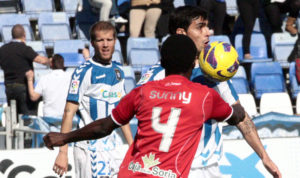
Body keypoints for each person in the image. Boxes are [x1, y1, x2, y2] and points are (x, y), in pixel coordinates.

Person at [44, 34, 245, 177]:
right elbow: (237, 116)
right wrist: (222, 82)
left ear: (163, 63)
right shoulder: (204, 97)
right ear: (194, 64)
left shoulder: (142, 92)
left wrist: (65, 137)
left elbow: (104, 126)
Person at [137, 6, 281, 178]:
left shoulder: (214, 71)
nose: (208, 32)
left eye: (207, 26)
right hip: (171, 168)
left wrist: (264, 157)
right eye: (200, 27)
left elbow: (241, 117)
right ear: (181, 33)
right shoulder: (157, 75)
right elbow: (136, 115)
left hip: (210, 168)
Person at [52, 21, 133, 178]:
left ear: (115, 41)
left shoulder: (118, 71)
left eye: (109, 40)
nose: (105, 45)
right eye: (100, 40)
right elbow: (69, 112)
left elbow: (121, 112)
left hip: (113, 146)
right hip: (89, 148)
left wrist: (132, 146)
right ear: (92, 43)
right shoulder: (84, 72)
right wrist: (63, 152)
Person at [0, 24, 49, 116]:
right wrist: (50, 60)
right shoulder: (24, 49)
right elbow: (41, 60)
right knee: (27, 116)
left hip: (9, 88)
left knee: (13, 117)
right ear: (24, 35)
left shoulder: (2, 49)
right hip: (23, 88)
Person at [25, 54, 71, 119]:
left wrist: (29, 80)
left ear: (51, 64)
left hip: (49, 117)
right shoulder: (70, 78)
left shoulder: (44, 79)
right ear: (63, 64)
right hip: (66, 116)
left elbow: (33, 97)